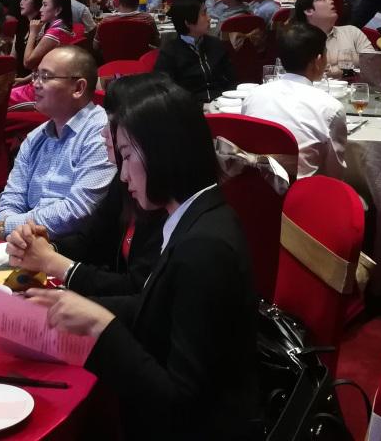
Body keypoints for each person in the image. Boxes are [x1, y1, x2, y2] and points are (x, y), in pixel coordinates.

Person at [23, 77, 260, 441]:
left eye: (128, 156)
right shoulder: (195, 215)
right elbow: (158, 305)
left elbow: (179, 404)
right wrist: (75, 305)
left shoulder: (204, 248)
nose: (122, 174)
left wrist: (102, 327)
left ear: (163, 152)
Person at [5, 74, 169, 297]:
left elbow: (139, 292)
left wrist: (55, 263)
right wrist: (47, 248)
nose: (103, 133)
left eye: (112, 124)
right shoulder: (124, 180)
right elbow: (92, 239)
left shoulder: (169, 202)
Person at [0, 46, 115, 239]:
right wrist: (9, 226)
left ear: (78, 88)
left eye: (46, 77)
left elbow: (78, 211)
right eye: (36, 76)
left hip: (73, 247)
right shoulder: (35, 138)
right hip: (24, 240)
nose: (35, 84)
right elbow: (11, 198)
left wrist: (6, 226)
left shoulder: (101, 133)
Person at [240, 23, 346, 178]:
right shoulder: (330, 107)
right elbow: (334, 174)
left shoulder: (253, 95)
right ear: (318, 60)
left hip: (255, 186)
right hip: (302, 191)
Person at [152, 0, 235, 104]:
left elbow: (232, 79)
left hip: (223, 104)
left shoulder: (216, 44)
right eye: (203, 14)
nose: (209, 18)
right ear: (188, 23)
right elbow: (164, 92)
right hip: (190, 108)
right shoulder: (170, 53)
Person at [11, 0, 81, 105]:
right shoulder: (65, 29)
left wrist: (32, 33)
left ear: (58, 10)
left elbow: (28, 63)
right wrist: (25, 79)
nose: (40, 10)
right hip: (54, 84)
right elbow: (49, 66)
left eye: (45, 5)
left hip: (44, 89)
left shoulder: (55, 33)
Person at [294, 0, 376, 74]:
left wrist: (340, 71)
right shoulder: (298, 40)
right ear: (309, 11)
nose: (331, 1)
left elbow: (373, 64)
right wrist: (353, 61)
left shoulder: (352, 32)